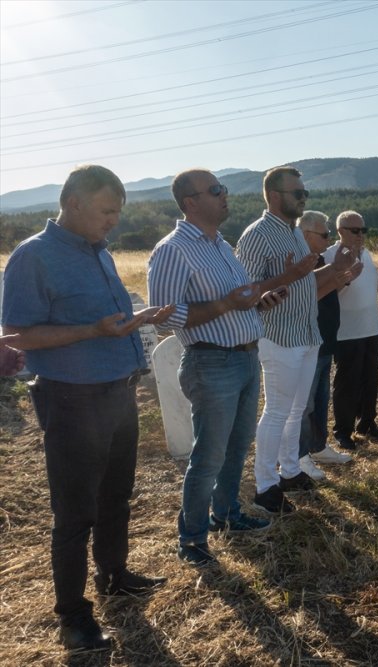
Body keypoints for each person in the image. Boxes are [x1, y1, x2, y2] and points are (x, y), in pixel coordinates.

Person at [1, 165, 174, 651]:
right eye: (107, 211)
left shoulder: (100, 253)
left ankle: (114, 575)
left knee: (116, 496)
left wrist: (134, 323)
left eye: (118, 212)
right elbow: (17, 335)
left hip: (118, 393)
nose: (114, 221)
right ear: (73, 203)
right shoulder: (33, 257)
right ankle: (74, 618)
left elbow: (106, 322)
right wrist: (94, 331)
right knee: (75, 512)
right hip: (72, 398)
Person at [148, 168, 283, 568]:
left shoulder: (222, 245)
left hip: (244, 356)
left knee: (237, 447)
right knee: (208, 455)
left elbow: (234, 300)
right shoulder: (173, 250)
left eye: (222, 188)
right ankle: (191, 539)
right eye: (216, 190)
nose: (225, 195)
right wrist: (227, 305)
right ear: (191, 202)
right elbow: (162, 321)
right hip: (211, 362)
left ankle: (226, 515)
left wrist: (259, 302)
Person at [235, 166, 345, 515]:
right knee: (277, 410)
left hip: (306, 332)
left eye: (304, 193)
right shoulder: (256, 235)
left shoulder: (295, 233)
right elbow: (246, 291)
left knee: (297, 409)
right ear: (273, 195)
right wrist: (285, 279)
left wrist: (338, 267)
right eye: (297, 193)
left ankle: (290, 470)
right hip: (279, 336)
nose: (303, 198)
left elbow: (303, 283)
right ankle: (265, 486)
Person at [296, 211, 356, 479]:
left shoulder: (318, 259)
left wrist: (342, 276)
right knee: (303, 404)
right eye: (324, 234)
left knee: (321, 399)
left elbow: (323, 292)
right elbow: (305, 298)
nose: (329, 238)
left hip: (325, 339)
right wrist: (339, 273)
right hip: (308, 341)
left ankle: (318, 447)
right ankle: (299, 456)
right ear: (306, 235)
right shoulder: (300, 261)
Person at [329, 210, 378, 449]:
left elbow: (374, 288)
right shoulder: (332, 255)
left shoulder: (365, 255)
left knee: (370, 379)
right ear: (340, 232)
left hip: (371, 327)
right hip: (346, 331)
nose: (360, 235)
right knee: (347, 383)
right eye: (355, 231)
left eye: (363, 230)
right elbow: (324, 292)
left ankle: (367, 423)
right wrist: (344, 276)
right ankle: (342, 431)